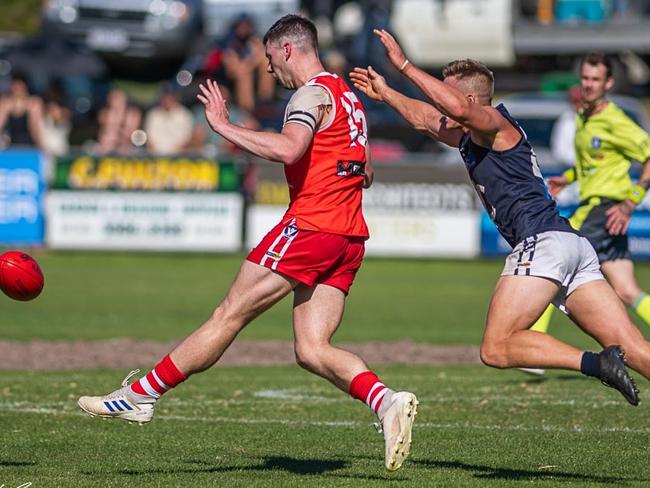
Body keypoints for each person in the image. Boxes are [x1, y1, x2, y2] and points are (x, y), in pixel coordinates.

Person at [78, 15, 418, 472]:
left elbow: (288, 149)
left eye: (270, 57)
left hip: (312, 227)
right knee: (312, 348)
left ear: (288, 49)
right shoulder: (349, 98)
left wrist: (223, 127)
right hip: (349, 236)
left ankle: (141, 396)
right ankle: (387, 401)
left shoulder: (311, 93)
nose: (269, 68)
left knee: (228, 315)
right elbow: (367, 172)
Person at [349, 29, 650, 405]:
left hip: (543, 243)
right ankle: (604, 360)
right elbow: (427, 120)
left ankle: (595, 364)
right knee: (636, 349)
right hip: (571, 245)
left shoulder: (496, 123)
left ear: (472, 99)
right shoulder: (468, 137)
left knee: (495, 347)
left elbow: (456, 111)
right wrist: (387, 92)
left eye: (447, 92)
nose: (440, 102)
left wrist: (405, 67)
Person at [529, 53, 650, 351]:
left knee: (553, 260)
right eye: (585, 78)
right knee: (626, 289)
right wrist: (568, 178)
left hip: (603, 209)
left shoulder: (614, 120)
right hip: (605, 210)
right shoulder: (585, 116)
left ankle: (532, 348)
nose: (589, 85)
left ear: (609, 83)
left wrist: (630, 202)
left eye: (596, 79)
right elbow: (596, 164)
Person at [143, 84, 193, 155]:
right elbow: (149, 141)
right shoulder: (153, 115)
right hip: (155, 157)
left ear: (175, 97)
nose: (167, 100)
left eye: (170, 97)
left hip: (178, 158)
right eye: (164, 97)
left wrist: (172, 156)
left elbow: (186, 140)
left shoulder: (185, 115)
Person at [0, 74, 44, 149]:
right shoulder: (5, 102)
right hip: (9, 144)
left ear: (25, 87)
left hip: (29, 143)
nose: (17, 89)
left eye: (20, 87)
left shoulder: (34, 102)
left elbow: (35, 127)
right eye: (15, 87)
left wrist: (40, 145)